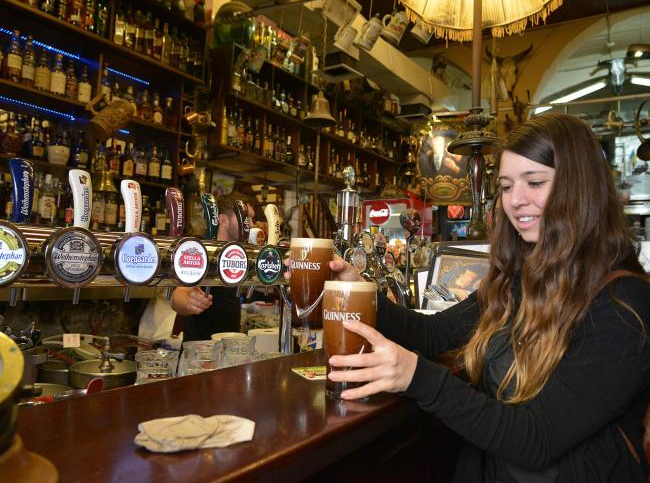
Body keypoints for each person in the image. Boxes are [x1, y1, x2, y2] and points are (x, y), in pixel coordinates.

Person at [320, 114, 650, 482]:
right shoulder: (516, 282)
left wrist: (416, 376)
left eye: (535, 182)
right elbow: (431, 334)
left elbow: (536, 439)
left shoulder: (624, 306)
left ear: (581, 187)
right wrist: (359, 291)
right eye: (506, 187)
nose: (515, 201)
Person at [171, 192, 255, 341]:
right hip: (199, 356)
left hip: (229, 354)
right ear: (223, 220)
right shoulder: (203, 252)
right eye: (246, 218)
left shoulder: (239, 255)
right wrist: (189, 301)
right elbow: (177, 296)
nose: (252, 225)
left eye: (252, 219)